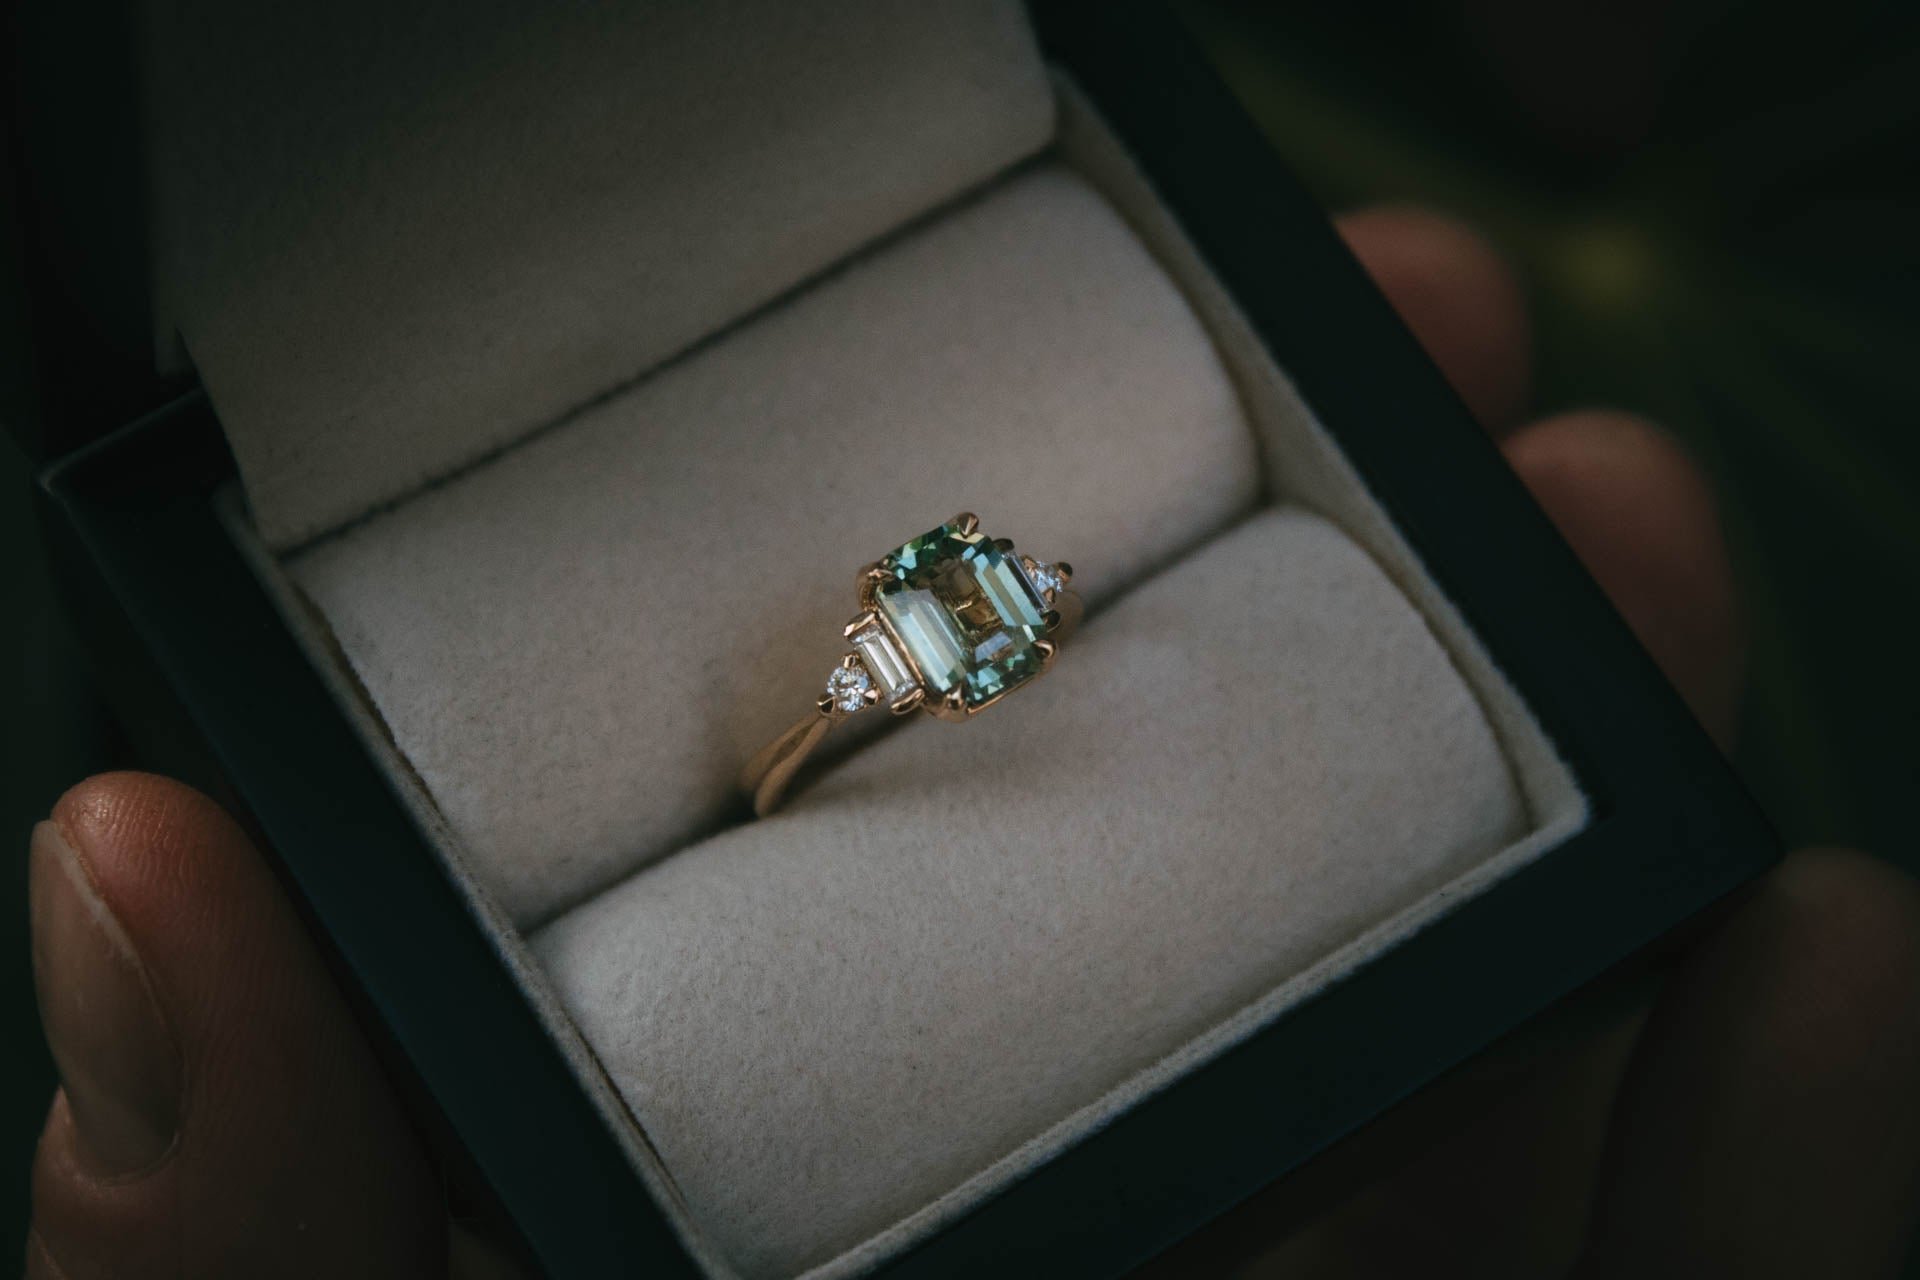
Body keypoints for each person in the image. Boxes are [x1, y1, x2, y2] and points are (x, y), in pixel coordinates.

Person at [23, 209, 1920, 1278]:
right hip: (851, 706)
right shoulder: (923, 636)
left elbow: (978, 610)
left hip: (894, 688)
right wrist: (831, 733)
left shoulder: (975, 619)